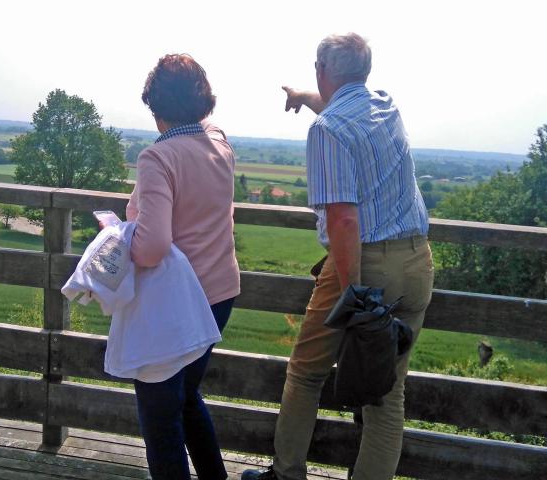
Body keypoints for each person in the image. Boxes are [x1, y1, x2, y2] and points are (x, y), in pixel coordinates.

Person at [242, 33, 434, 480]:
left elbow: (344, 221)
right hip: (417, 263)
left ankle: (286, 474)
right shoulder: (385, 105)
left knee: (306, 373)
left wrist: (353, 298)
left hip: (364, 265)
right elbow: (339, 100)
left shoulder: (327, 131)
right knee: (386, 393)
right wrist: (301, 96)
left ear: (321, 70)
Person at [127, 53, 240, 480]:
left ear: (156, 108)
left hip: (174, 303)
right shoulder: (219, 144)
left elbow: (152, 248)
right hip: (220, 295)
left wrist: (123, 235)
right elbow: (209, 125)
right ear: (203, 102)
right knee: (187, 396)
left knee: (160, 415)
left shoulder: (158, 158)